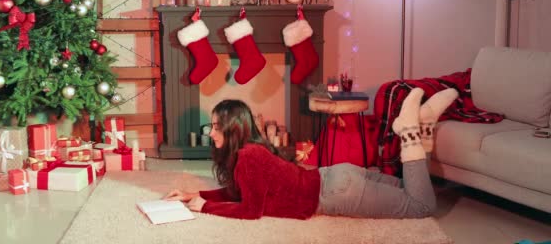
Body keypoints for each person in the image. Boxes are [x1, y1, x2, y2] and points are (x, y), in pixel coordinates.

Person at [163, 88, 458, 219]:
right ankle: (425, 125)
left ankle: (409, 132)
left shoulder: (248, 157)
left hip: (335, 193)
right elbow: (240, 192)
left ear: (232, 129)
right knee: (410, 189)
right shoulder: (251, 152)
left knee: (421, 207)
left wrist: (205, 207)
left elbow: (250, 211)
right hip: (336, 176)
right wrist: (196, 196)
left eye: (216, 127)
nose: (210, 133)